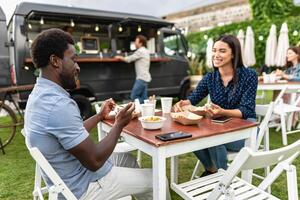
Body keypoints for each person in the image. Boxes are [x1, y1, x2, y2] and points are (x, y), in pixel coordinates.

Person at [25, 28, 171, 200]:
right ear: (55, 61)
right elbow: (94, 161)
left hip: (71, 176)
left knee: (127, 159)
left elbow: (71, 131)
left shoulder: (39, 95)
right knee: (158, 179)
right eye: (73, 60)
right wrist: (119, 124)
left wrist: (100, 116)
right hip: (84, 187)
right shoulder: (58, 104)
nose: (78, 67)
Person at [173, 35, 258, 176]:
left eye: (222, 51)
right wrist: (184, 103)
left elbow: (247, 110)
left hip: (246, 130)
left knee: (214, 139)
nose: (216, 55)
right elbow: (193, 99)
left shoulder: (249, 75)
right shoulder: (210, 78)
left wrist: (223, 111)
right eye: (214, 50)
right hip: (220, 126)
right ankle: (212, 170)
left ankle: (223, 180)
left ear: (233, 54)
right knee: (192, 134)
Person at [115, 35, 151, 103]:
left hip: (141, 78)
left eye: (136, 41)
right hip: (146, 78)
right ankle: (146, 108)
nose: (134, 43)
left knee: (133, 96)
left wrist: (119, 57)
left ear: (141, 43)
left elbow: (128, 59)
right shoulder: (145, 51)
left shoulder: (140, 51)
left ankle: (149, 103)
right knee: (144, 98)